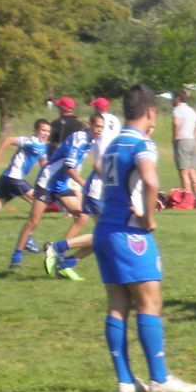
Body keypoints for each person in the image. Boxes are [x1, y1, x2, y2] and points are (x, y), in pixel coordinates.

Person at [94, 83, 196, 392]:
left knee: (117, 305)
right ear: (151, 112)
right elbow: (150, 178)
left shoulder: (112, 144)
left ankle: (125, 381)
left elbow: (111, 176)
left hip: (104, 229)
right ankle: (160, 379)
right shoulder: (142, 142)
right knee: (150, 302)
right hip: (130, 234)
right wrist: (148, 218)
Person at [9, 113, 104, 271]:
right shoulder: (79, 139)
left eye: (102, 127)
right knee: (34, 220)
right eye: (97, 126)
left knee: (82, 216)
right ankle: (16, 257)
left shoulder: (91, 142)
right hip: (47, 181)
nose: (100, 130)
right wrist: (85, 185)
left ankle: (59, 252)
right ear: (90, 125)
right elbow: (68, 168)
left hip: (61, 185)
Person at [44, 97, 123, 281]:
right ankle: (56, 248)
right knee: (107, 235)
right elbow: (99, 163)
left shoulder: (104, 127)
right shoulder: (111, 126)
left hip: (99, 191)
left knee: (105, 238)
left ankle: (66, 264)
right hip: (97, 191)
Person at [0, 119, 51, 224]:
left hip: (6, 179)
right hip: (14, 179)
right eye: (43, 130)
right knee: (40, 201)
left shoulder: (43, 146)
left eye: (48, 131)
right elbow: (9, 140)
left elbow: (43, 163)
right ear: (35, 130)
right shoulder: (30, 141)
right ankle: (29, 234)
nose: (46, 133)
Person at [171, 90, 196, 193]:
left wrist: (175, 136)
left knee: (184, 173)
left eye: (174, 98)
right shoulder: (190, 110)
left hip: (182, 141)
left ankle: (187, 199)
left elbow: (176, 123)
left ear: (178, 98)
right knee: (192, 171)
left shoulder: (177, 110)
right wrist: (194, 135)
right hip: (192, 141)